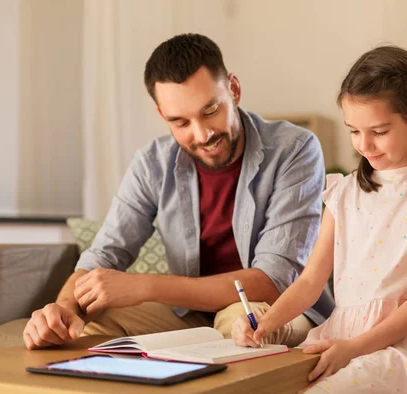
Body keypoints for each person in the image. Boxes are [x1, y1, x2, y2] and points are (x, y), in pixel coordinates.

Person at [23, 33, 334, 350]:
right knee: (91, 328)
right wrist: (63, 309)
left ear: (234, 89)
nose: (202, 134)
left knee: (242, 325)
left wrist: (146, 285)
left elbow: (271, 282)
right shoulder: (151, 163)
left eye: (210, 110)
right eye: (180, 122)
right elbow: (104, 255)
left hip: (277, 307)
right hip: (189, 313)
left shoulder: (295, 149)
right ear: (162, 116)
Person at [232, 45, 407, 394]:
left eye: (378, 131)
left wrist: (356, 348)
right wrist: (264, 324)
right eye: (353, 131)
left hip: (404, 347)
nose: (364, 145)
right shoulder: (344, 191)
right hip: (341, 337)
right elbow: (310, 281)